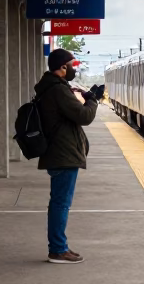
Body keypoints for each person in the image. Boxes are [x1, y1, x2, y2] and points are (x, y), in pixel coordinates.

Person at [34, 49, 101, 264]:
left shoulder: (52, 88)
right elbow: (84, 116)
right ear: (62, 67)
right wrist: (93, 100)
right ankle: (58, 249)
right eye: (71, 65)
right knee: (61, 203)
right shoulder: (57, 90)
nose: (74, 69)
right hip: (63, 154)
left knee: (59, 202)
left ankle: (59, 246)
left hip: (58, 152)